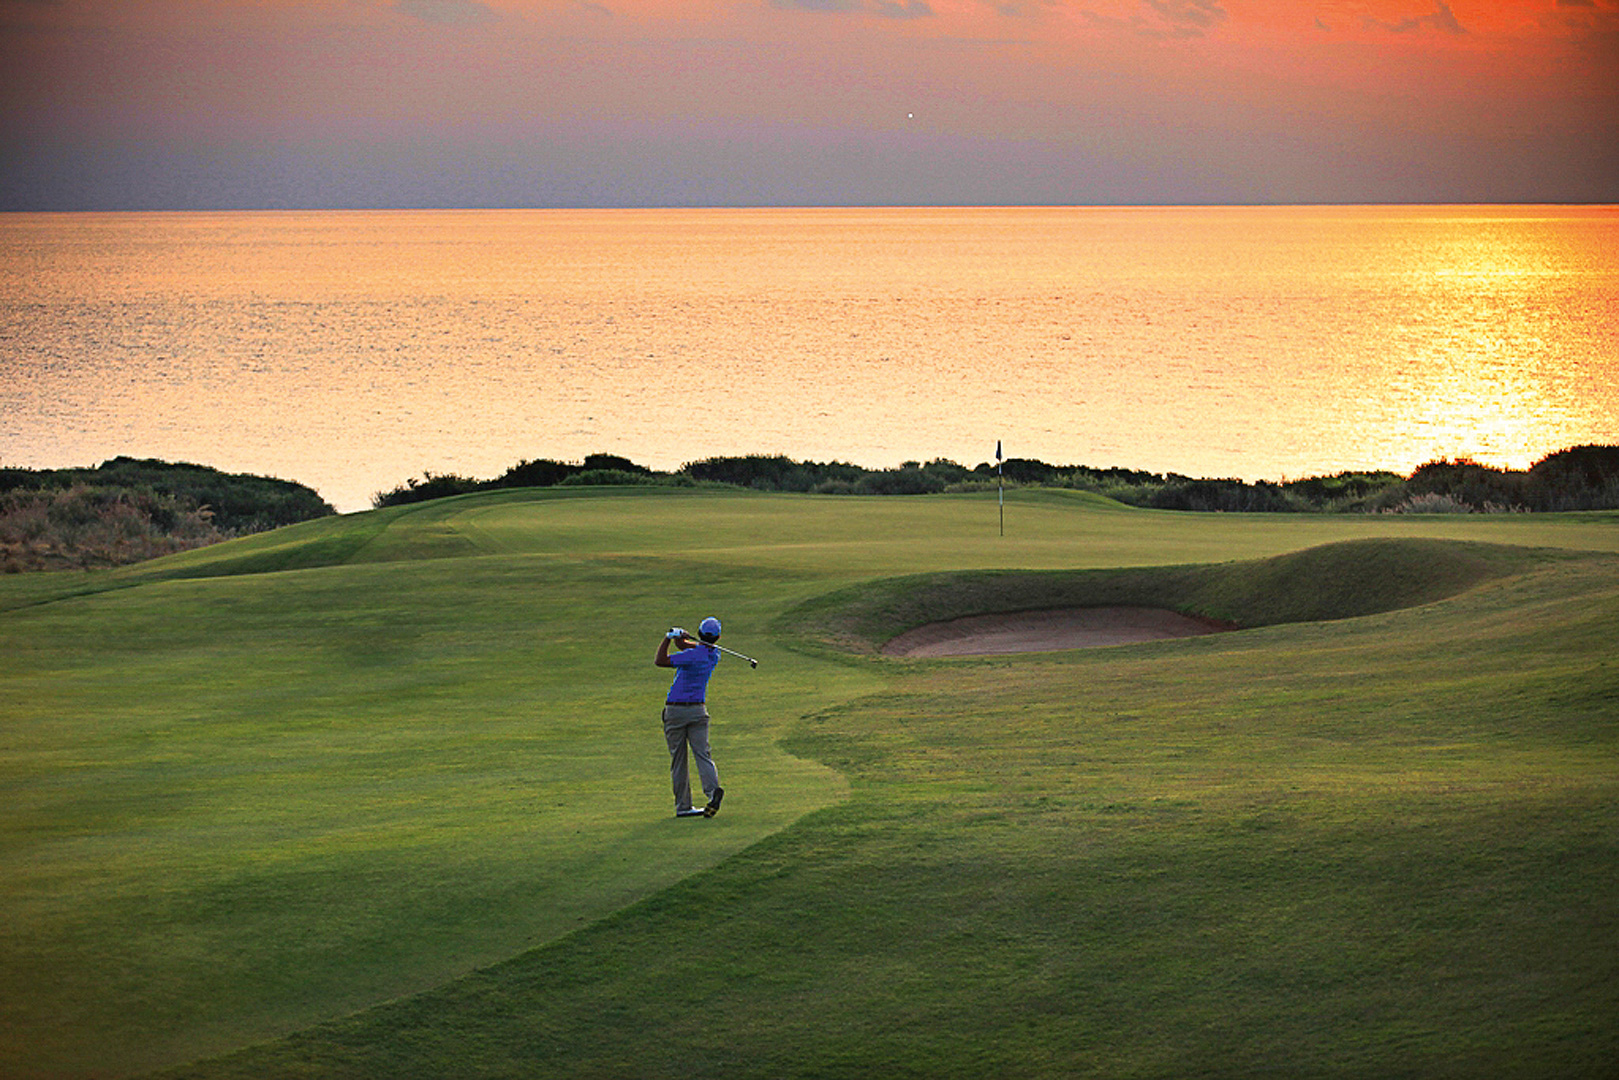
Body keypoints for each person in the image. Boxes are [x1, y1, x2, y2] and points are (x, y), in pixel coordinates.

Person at [654, 616, 726, 819]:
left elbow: (660, 661)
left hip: (675, 711)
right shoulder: (714, 654)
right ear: (718, 637)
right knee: (703, 754)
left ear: (700, 633)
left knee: (679, 760)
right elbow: (690, 647)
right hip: (698, 712)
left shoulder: (691, 655)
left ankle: (683, 806)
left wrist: (668, 639)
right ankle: (713, 793)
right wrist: (682, 638)